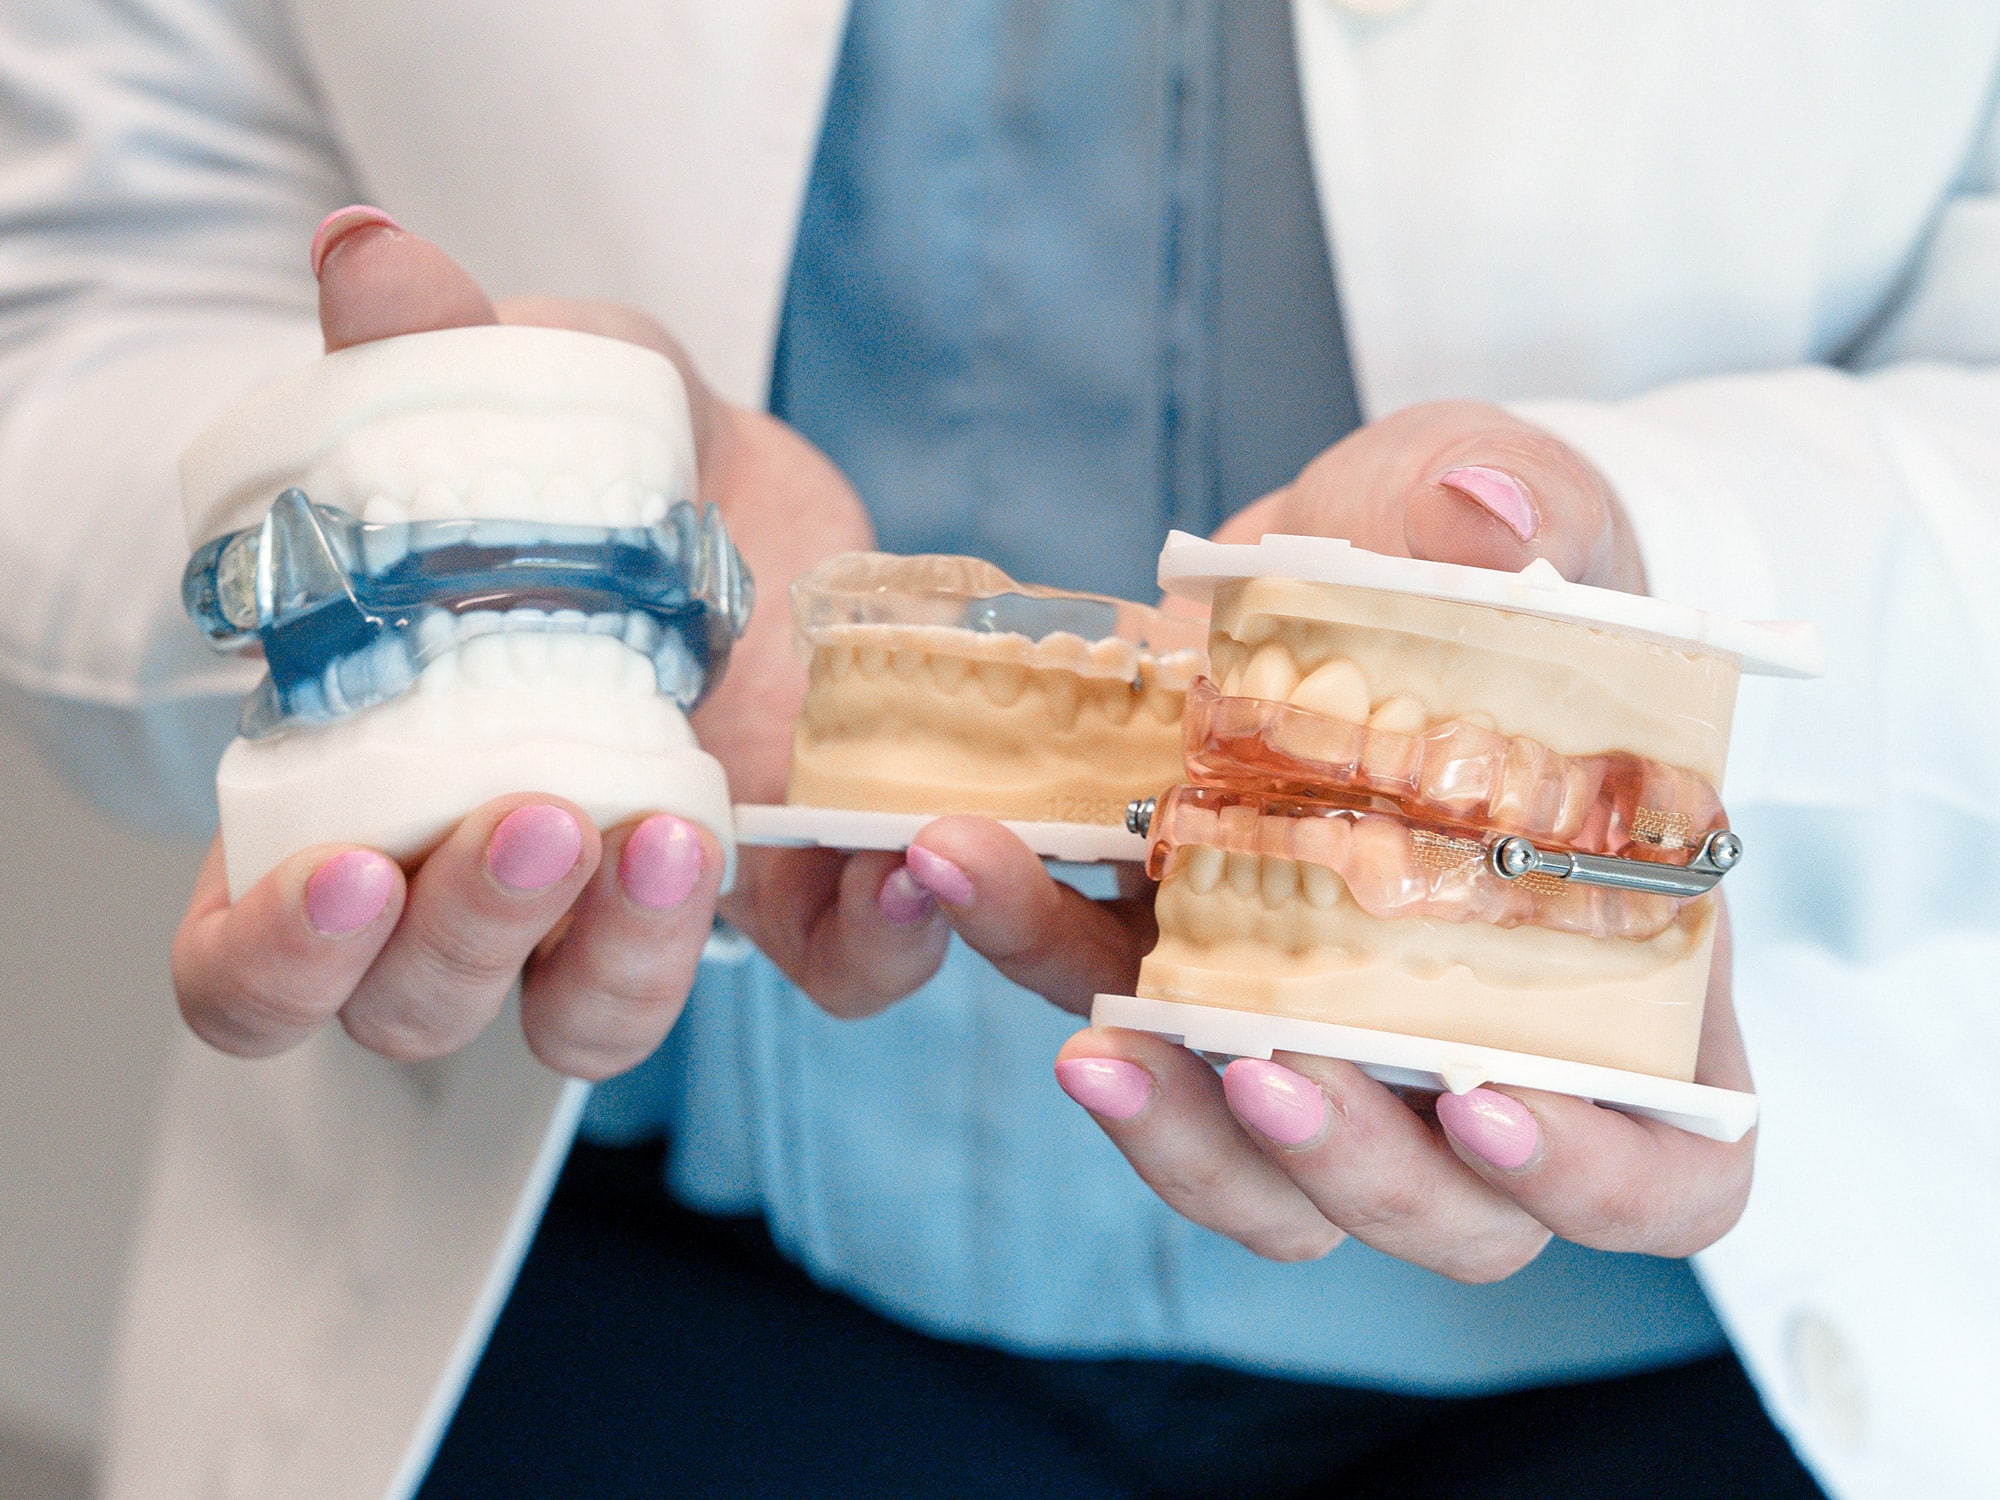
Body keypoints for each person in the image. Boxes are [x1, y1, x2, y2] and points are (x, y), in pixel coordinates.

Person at [0, 3, 1994, 1497]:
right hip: (610, 1287)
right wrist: (454, 600)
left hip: (1749, 1357)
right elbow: (99, 282)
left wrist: (1628, 577)